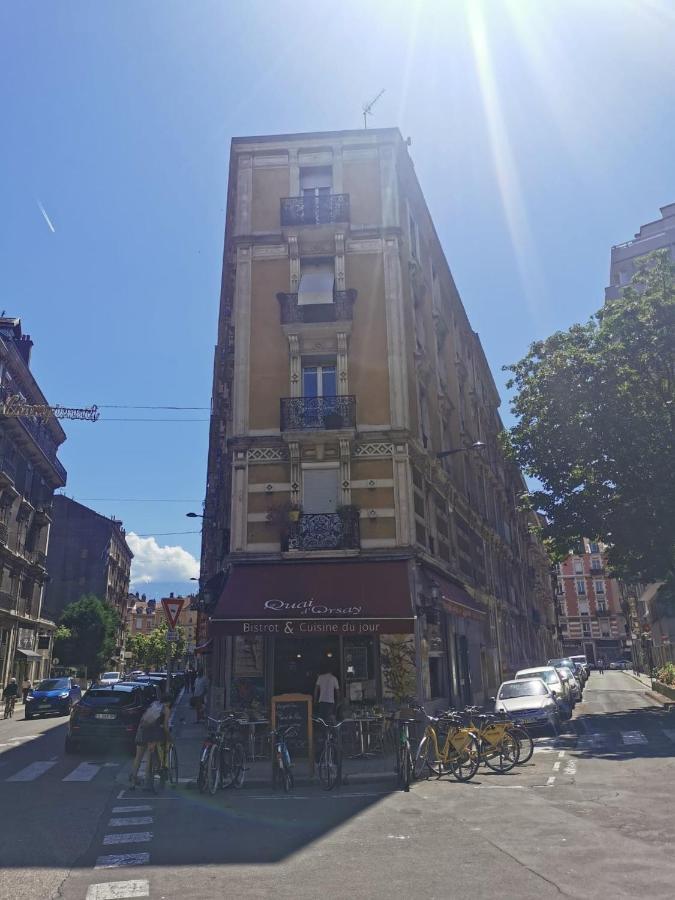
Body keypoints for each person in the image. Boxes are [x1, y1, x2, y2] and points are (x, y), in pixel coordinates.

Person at [130, 693, 172, 788]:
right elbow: (165, 727)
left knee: (138, 758)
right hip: (152, 734)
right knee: (149, 759)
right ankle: (147, 783)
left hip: (142, 730)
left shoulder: (154, 704)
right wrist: (169, 737)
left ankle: (133, 782)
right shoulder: (166, 709)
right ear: (169, 702)